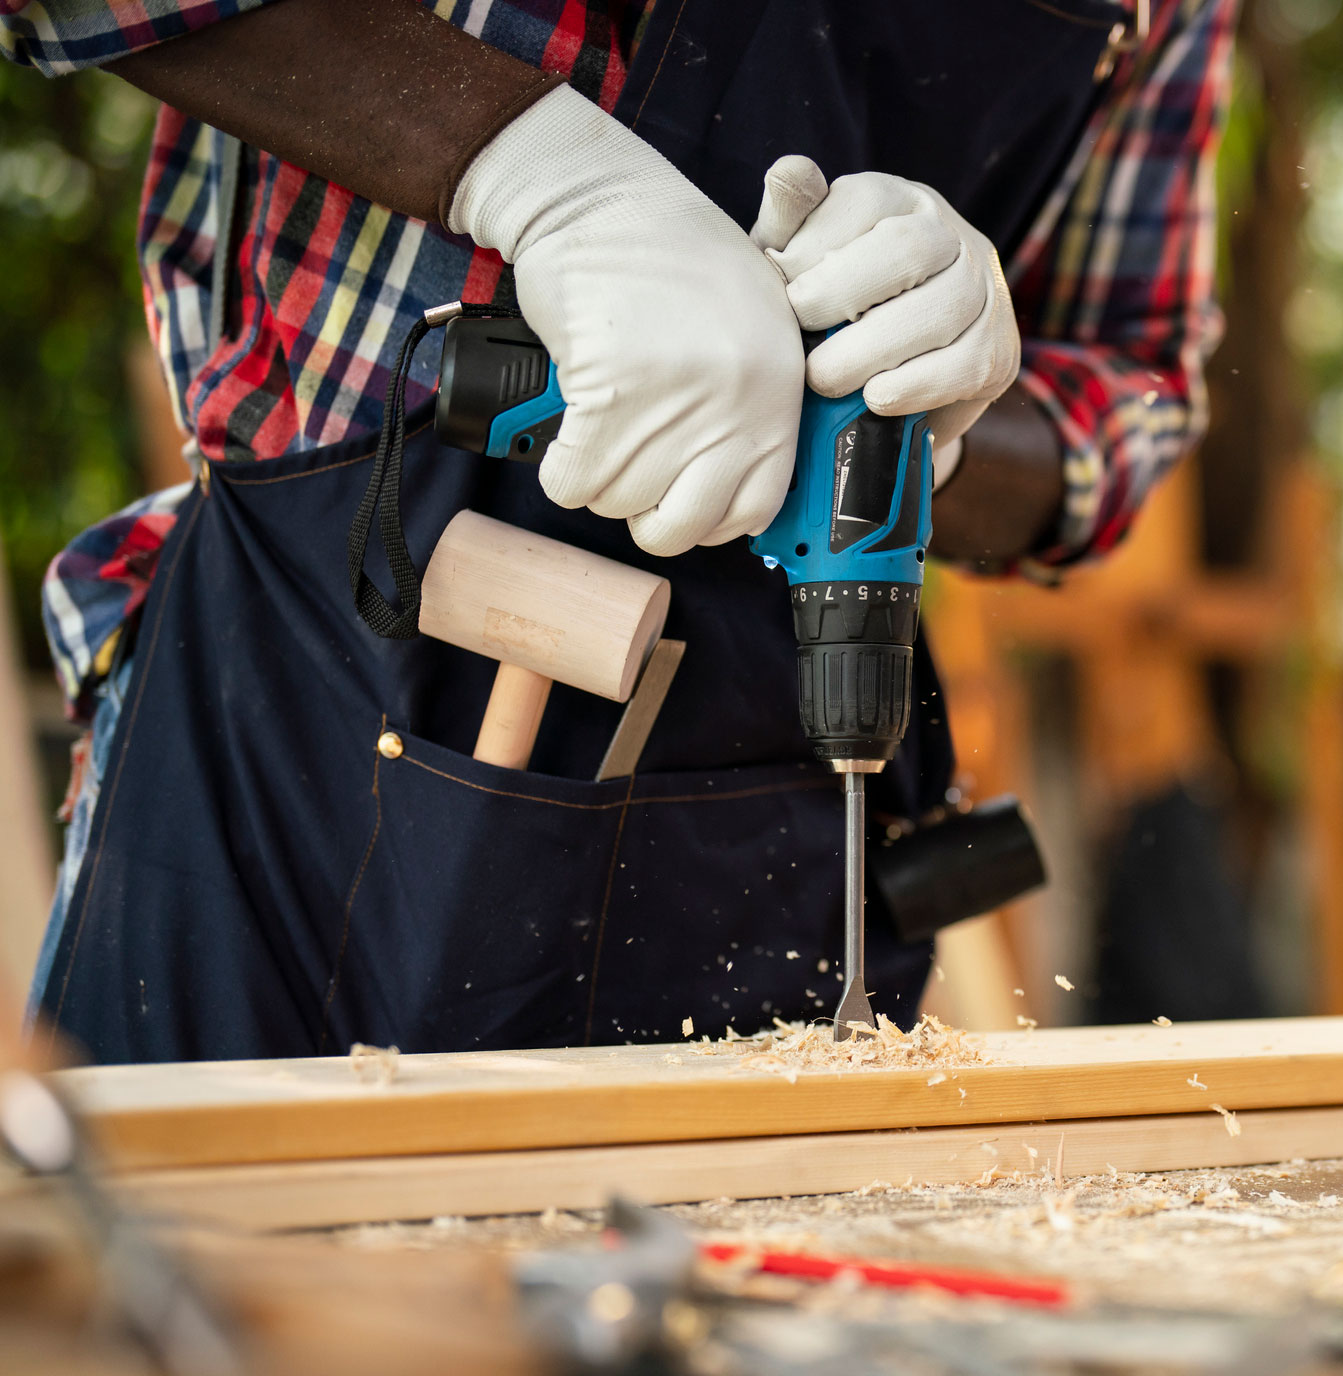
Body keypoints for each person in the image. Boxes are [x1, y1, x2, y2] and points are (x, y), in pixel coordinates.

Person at [2, 0, 1234, 1063]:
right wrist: (530, 172)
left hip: (780, 819)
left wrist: (935, 412)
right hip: (295, 747)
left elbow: (1132, 385)